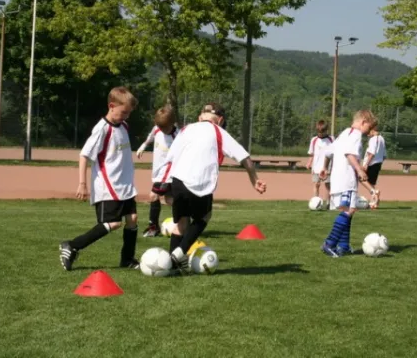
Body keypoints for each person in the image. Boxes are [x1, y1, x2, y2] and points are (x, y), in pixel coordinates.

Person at [157, 102, 266, 274]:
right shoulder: (218, 131)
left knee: (181, 223)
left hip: (177, 180)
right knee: (205, 216)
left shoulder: (186, 129)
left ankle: (172, 268)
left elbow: (170, 157)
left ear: (200, 116)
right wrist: (255, 180)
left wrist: (162, 186)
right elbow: (245, 158)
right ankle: (178, 254)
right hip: (199, 183)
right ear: (220, 120)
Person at [59, 86, 140, 271]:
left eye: (128, 113)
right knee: (112, 223)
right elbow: (84, 155)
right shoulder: (102, 129)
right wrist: (82, 183)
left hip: (125, 186)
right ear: (112, 106)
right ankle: (72, 245)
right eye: (123, 112)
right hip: (108, 186)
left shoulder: (124, 126)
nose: (126, 116)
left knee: (133, 219)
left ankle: (127, 260)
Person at [319, 110, 380, 258]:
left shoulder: (344, 133)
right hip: (346, 179)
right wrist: (359, 169)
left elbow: (328, 152)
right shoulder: (356, 135)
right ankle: (329, 243)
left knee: (350, 210)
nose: (369, 131)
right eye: (369, 127)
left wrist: (325, 168)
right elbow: (349, 154)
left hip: (339, 179)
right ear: (363, 122)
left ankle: (344, 246)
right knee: (348, 211)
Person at [136, 105, 179, 237]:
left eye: (164, 127)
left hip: (167, 173)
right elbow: (150, 137)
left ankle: (153, 227)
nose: (162, 130)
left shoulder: (177, 135)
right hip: (157, 171)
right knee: (169, 199)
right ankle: (186, 218)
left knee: (153, 196)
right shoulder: (157, 129)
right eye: (160, 127)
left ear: (172, 123)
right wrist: (143, 146)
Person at [306, 120, 334, 208]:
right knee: (316, 185)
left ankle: (329, 203)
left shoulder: (331, 139)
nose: (320, 134)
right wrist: (309, 162)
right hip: (316, 168)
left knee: (328, 185)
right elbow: (311, 153)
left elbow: (334, 153)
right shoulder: (314, 140)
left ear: (326, 130)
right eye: (318, 132)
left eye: (322, 132)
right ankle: (316, 202)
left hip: (327, 168)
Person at [362, 124, 386, 209]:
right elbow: (384, 155)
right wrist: (380, 163)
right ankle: (374, 202)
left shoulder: (373, 139)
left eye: (368, 132)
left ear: (372, 130)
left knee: (361, 178)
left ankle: (374, 192)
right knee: (371, 183)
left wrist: (366, 164)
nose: (368, 134)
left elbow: (371, 153)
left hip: (371, 163)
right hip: (378, 163)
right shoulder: (382, 139)